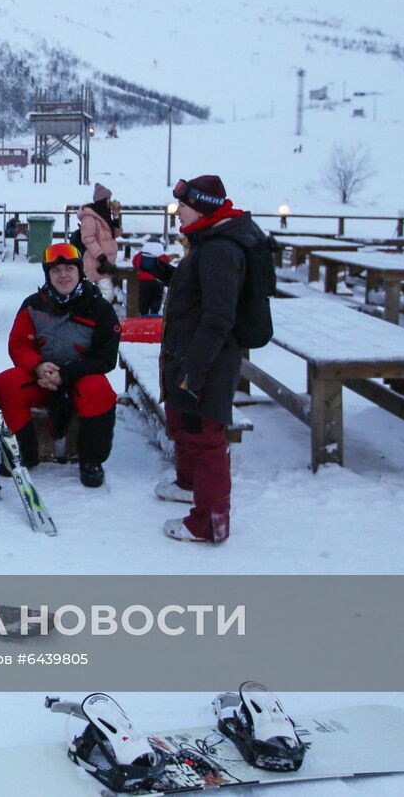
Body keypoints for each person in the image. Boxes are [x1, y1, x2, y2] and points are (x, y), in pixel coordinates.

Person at [156, 174, 269, 544]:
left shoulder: (220, 248)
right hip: (192, 354)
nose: (177, 215)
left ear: (201, 207)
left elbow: (219, 317)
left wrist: (194, 373)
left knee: (205, 436)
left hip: (207, 360)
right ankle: (189, 485)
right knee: (186, 424)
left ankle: (209, 522)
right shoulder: (208, 242)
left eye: (182, 208)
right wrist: (166, 274)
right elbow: (202, 291)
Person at [0, 243, 120, 488]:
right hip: (42, 378)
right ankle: (23, 450)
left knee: (100, 390)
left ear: (79, 271)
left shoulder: (99, 308)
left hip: (79, 378)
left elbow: (105, 357)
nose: (63, 275)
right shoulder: (34, 304)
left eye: (69, 269)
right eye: (56, 270)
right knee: (6, 382)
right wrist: (38, 366)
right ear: (47, 275)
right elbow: (18, 344)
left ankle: (91, 460)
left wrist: (67, 373)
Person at [78, 183, 122, 301]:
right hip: (96, 263)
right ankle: (98, 318)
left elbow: (115, 234)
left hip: (104, 264)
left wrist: (116, 215)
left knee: (104, 296)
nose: (110, 202)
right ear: (103, 200)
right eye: (108, 199)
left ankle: (98, 317)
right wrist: (102, 258)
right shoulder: (90, 217)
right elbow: (88, 239)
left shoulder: (104, 216)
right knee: (106, 295)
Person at [131, 237, 170, 316]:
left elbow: (134, 262)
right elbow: (167, 263)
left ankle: (143, 315)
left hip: (144, 282)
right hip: (158, 281)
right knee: (156, 299)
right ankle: (154, 314)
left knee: (144, 299)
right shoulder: (162, 256)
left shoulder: (141, 255)